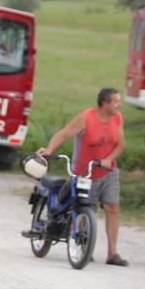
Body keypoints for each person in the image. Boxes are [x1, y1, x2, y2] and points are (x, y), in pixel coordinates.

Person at [36, 87, 128, 266]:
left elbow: (120, 145)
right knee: (85, 208)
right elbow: (64, 134)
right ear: (105, 103)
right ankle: (84, 245)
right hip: (86, 173)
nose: (120, 105)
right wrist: (49, 150)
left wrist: (108, 159)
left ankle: (112, 253)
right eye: (116, 101)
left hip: (108, 172)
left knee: (112, 208)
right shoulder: (86, 118)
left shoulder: (117, 118)